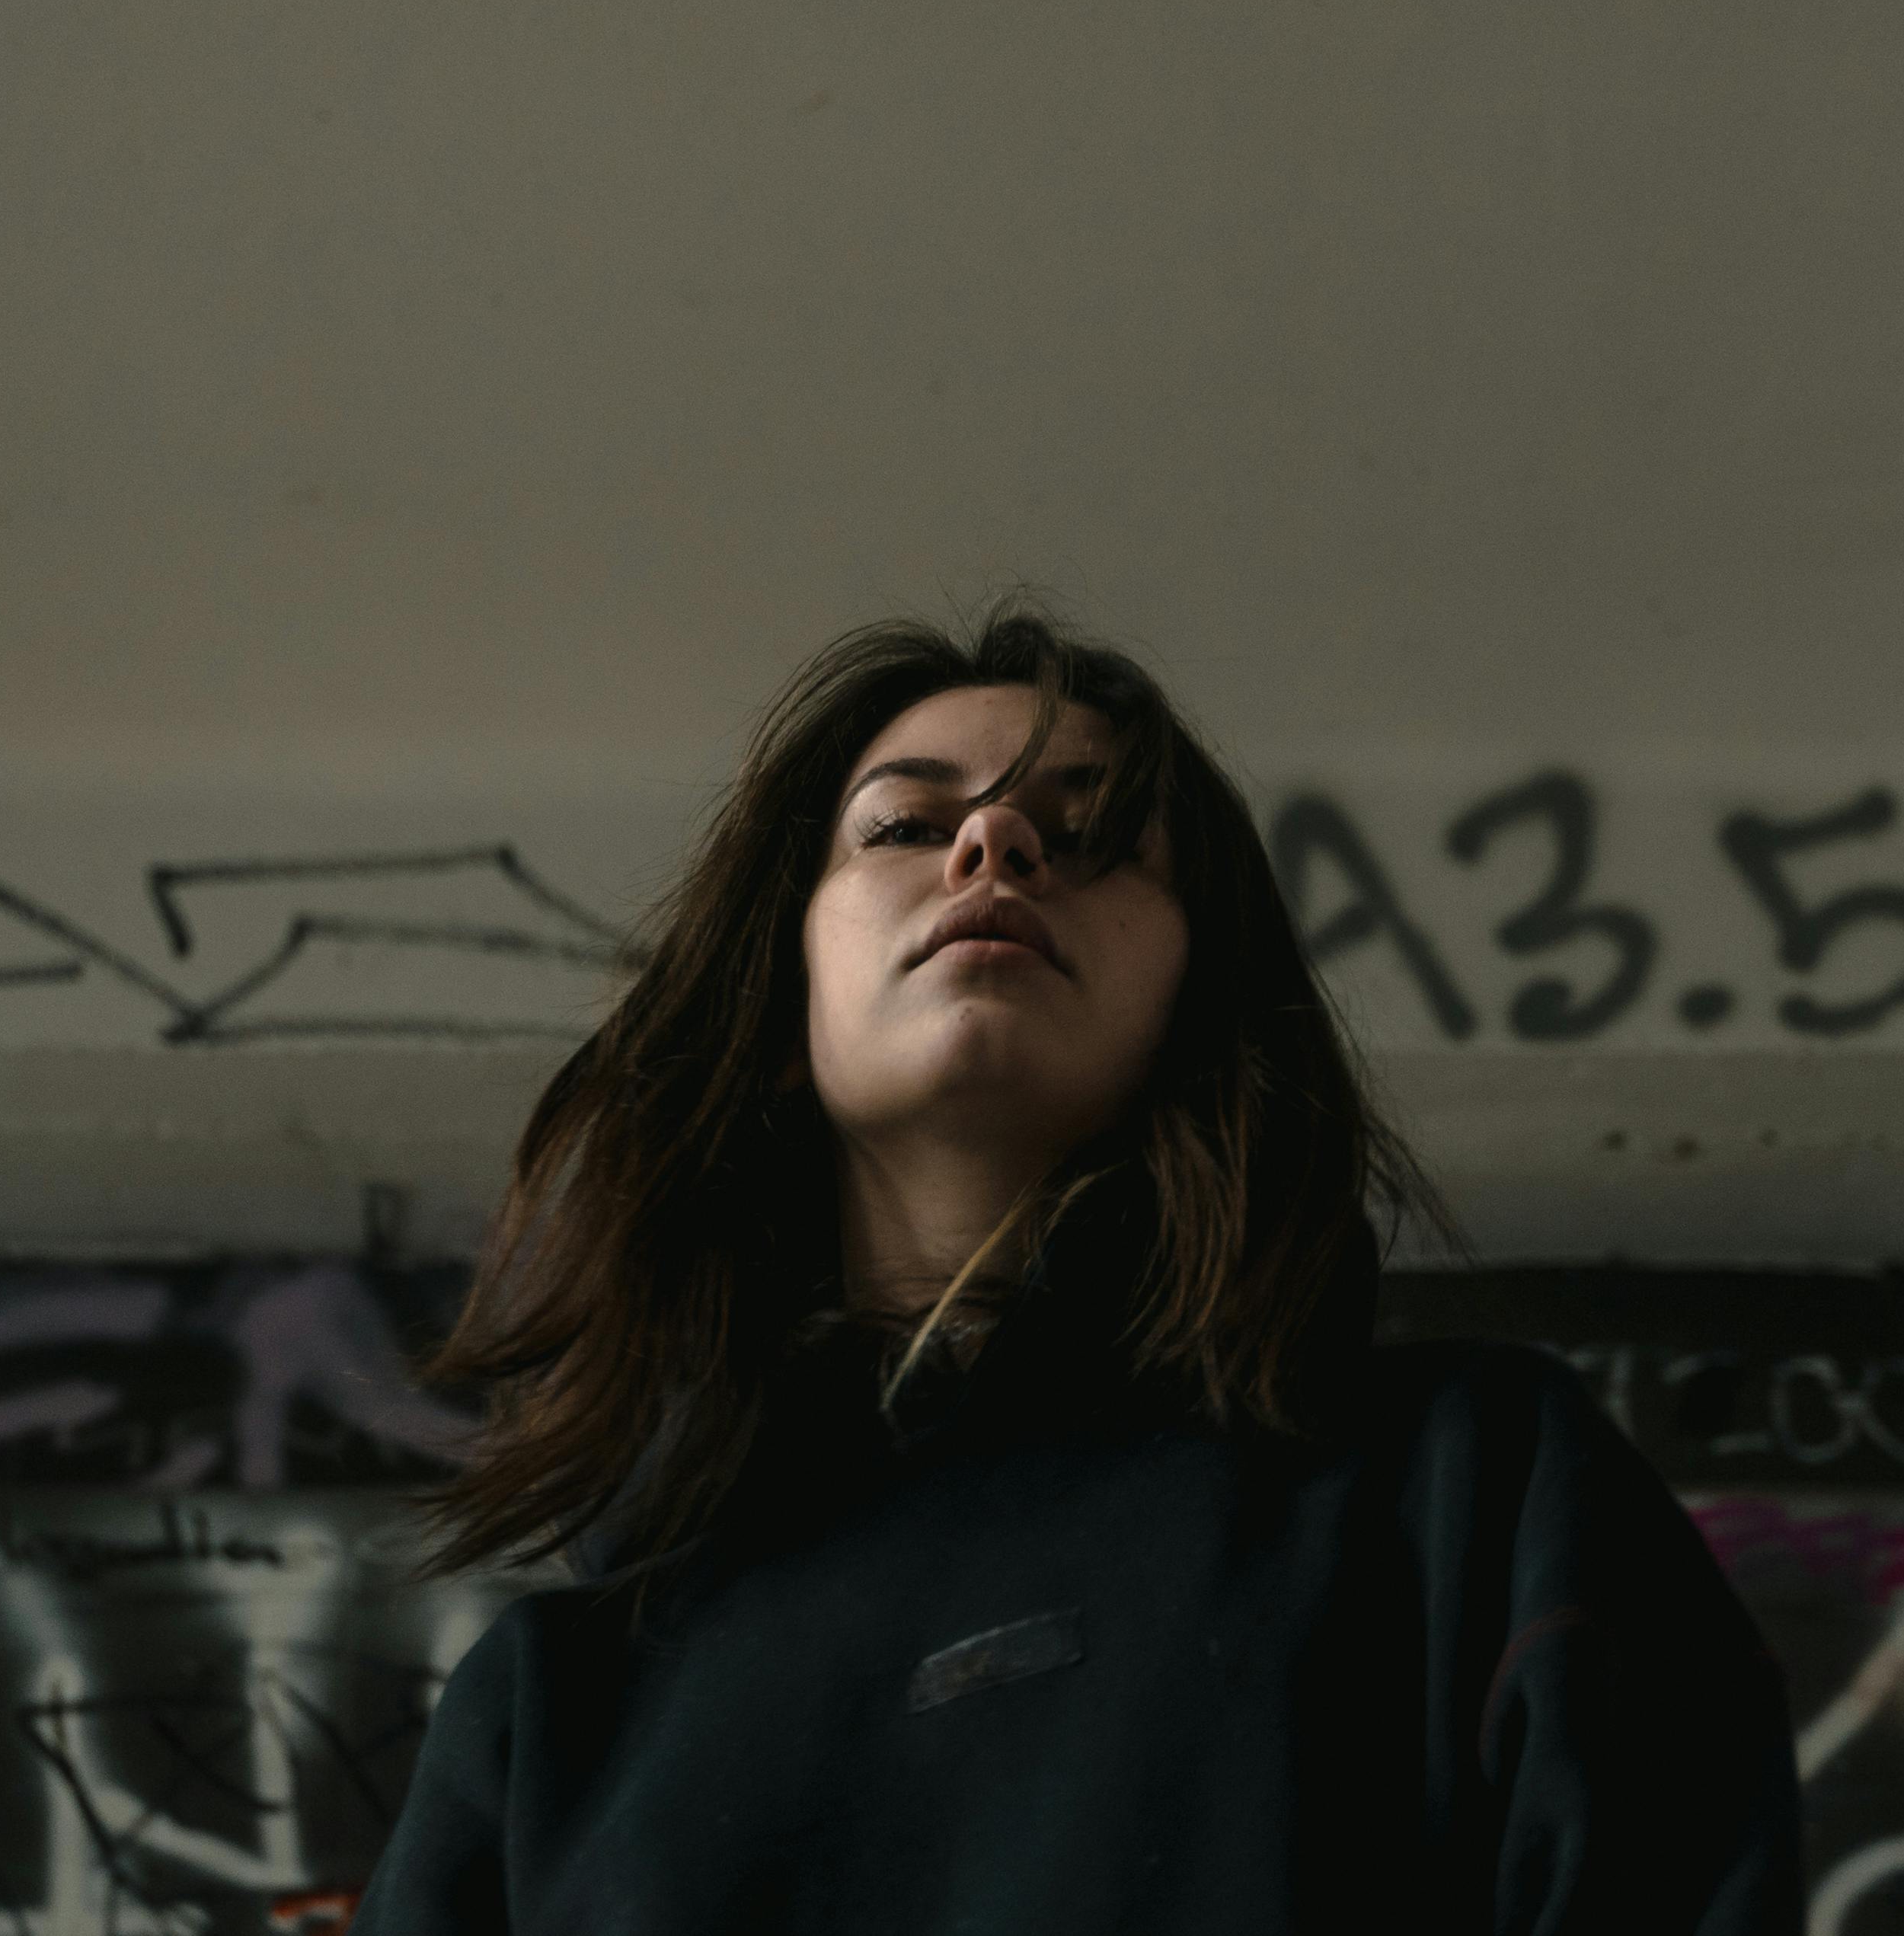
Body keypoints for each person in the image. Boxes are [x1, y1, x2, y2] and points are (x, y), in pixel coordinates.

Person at [352, 608, 1802, 1933]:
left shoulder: (1471, 1499)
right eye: (905, 825)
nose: (993, 848)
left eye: (1095, 831)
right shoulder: (558, 1709)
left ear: (1198, 985)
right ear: (779, 993)